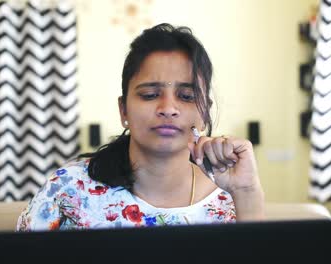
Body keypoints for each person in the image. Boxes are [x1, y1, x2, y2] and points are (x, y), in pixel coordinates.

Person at [16, 23, 265, 231]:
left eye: (186, 96)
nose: (168, 108)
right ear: (123, 110)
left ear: (205, 112)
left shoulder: (231, 197)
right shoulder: (68, 188)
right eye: (149, 94)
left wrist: (246, 191)